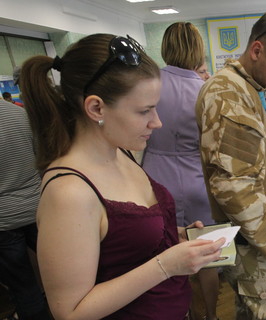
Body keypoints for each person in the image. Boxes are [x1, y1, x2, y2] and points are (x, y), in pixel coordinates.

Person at [20, 33, 225, 319]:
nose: (157, 122)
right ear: (96, 108)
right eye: (144, 111)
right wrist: (166, 264)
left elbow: (121, 248)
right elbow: (70, 312)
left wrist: (170, 238)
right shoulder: (69, 193)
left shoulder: (122, 153)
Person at [195, 10, 266, 319]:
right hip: (253, 242)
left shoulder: (244, 88)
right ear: (257, 50)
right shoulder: (229, 94)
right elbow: (237, 190)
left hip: (257, 234)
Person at [142, 22, 220, 320]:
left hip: (156, 176)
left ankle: (180, 313)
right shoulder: (206, 89)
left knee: (165, 253)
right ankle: (211, 315)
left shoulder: (150, 84)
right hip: (198, 177)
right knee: (208, 257)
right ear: (199, 50)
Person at [0, 98, 51, 320]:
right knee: (64, 270)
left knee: (23, 285)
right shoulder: (20, 114)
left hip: (3, 220)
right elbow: (41, 159)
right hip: (37, 207)